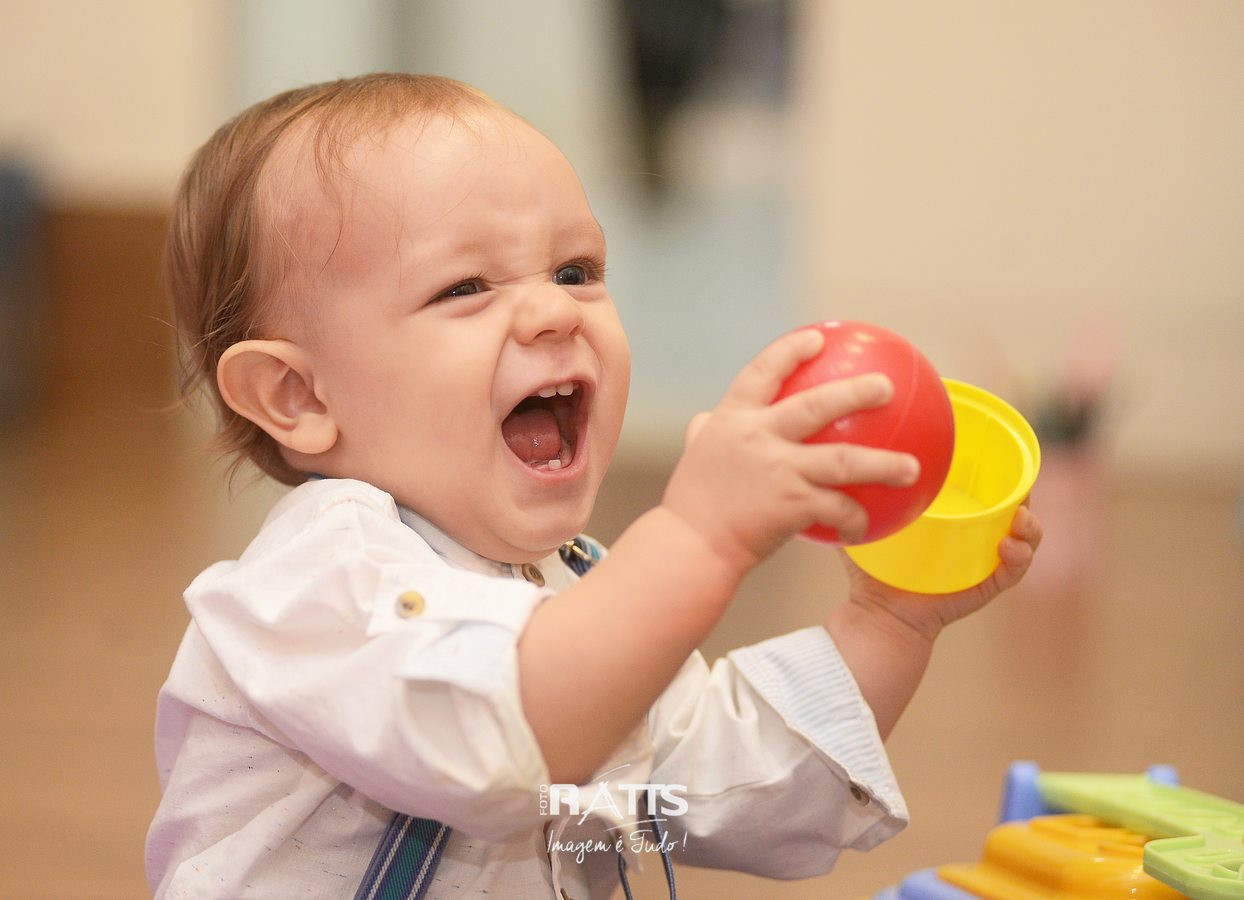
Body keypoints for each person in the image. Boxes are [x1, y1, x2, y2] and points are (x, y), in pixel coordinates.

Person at [145, 73, 1042, 899]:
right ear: (298, 396)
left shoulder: (574, 590)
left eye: (575, 272)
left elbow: (734, 789)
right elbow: (496, 741)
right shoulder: (315, 589)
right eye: (465, 286)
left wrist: (887, 623)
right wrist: (700, 538)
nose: (552, 310)